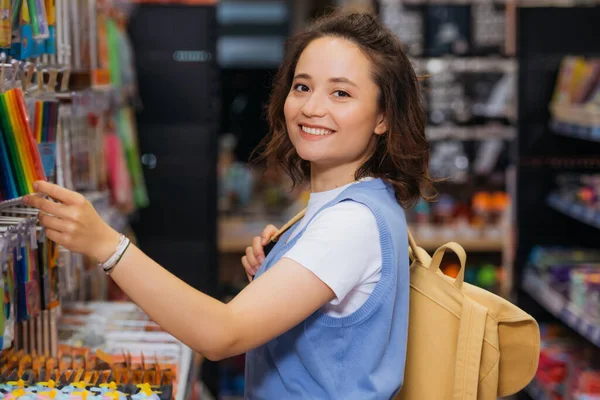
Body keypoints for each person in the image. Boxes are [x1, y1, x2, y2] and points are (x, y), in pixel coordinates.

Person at [25, 10, 433, 399]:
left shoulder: (350, 222)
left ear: (383, 117)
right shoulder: (362, 202)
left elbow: (222, 335)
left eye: (340, 93)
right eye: (302, 86)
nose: (311, 107)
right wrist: (280, 266)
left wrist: (108, 247)